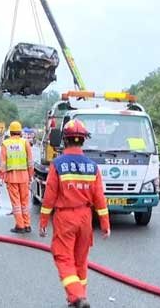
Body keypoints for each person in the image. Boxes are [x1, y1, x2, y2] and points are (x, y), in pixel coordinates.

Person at [39, 119, 110, 308]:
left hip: (65, 217)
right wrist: (105, 224)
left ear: (65, 140)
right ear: (83, 141)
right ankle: (79, 297)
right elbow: (99, 198)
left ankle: (77, 296)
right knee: (80, 260)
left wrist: (44, 221)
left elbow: (49, 196)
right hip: (85, 217)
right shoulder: (92, 166)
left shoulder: (58, 164)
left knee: (63, 257)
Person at [0, 121, 34, 233]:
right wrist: (30, 175)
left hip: (11, 177)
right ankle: (27, 224)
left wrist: (1, 175)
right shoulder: (25, 143)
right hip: (24, 176)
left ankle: (20, 225)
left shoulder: (6, 144)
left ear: (10, 132)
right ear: (20, 132)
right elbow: (30, 162)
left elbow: (2, 163)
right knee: (24, 202)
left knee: (16, 203)